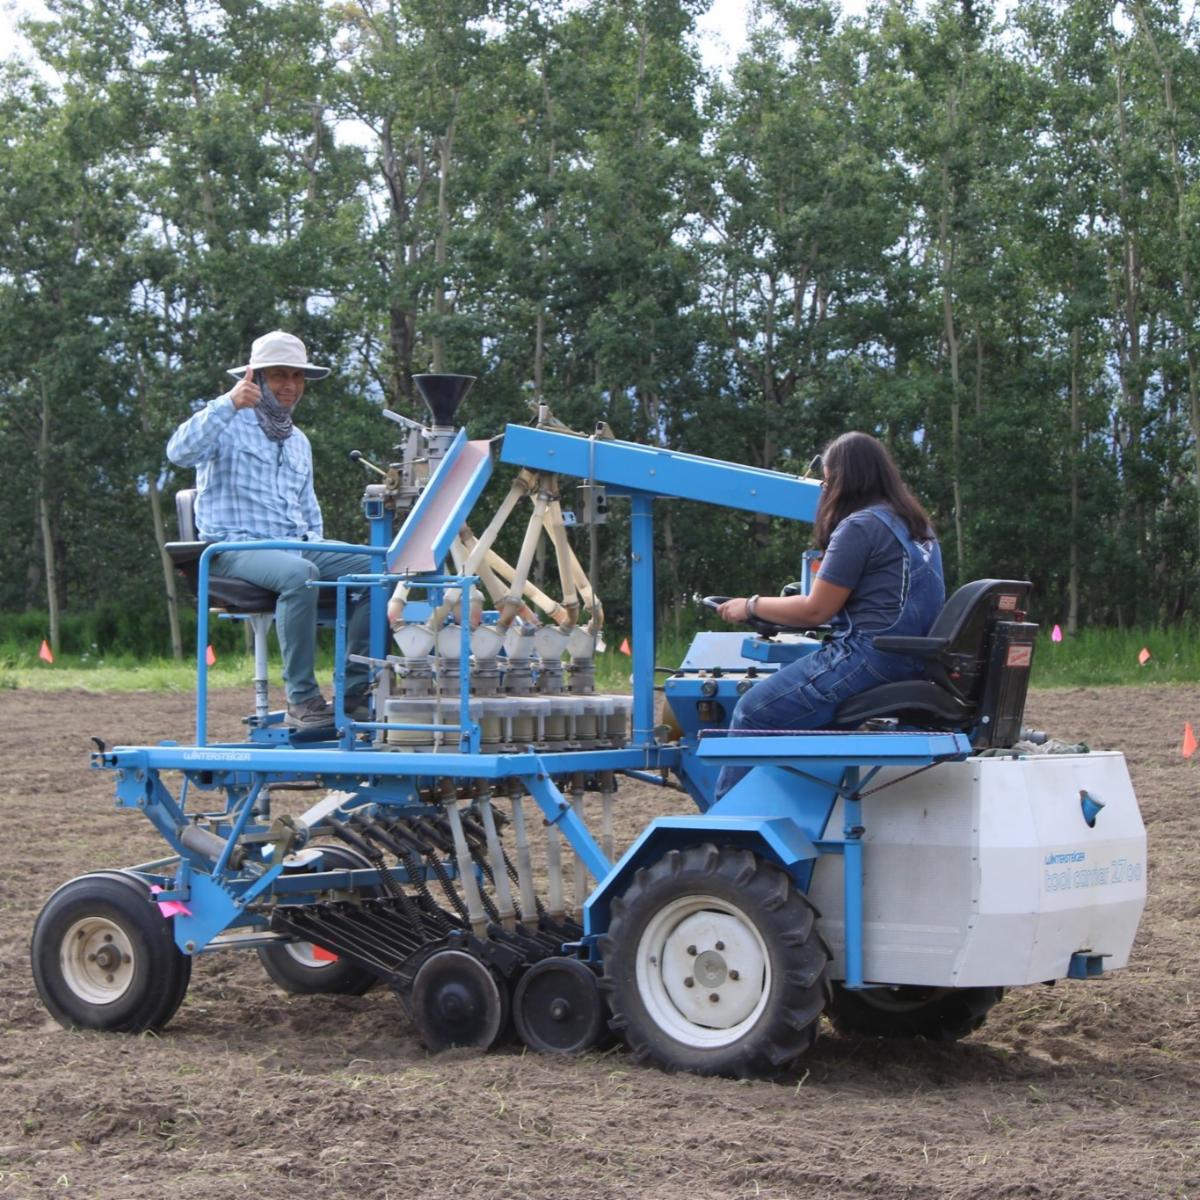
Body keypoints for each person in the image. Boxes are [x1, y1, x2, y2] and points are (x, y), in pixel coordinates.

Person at [714, 431, 944, 799]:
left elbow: (815, 609)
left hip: (869, 659)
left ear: (842, 478)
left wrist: (751, 605)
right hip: (913, 661)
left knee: (753, 712)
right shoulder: (919, 528)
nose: (824, 488)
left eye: (826, 479)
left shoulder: (860, 526)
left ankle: (728, 831)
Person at [166, 330, 373, 728]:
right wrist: (226, 403)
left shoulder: (298, 442)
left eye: (297, 376)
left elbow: (309, 513)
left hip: (293, 545)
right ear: (255, 377)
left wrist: (321, 544)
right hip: (230, 551)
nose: (290, 385)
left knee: (379, 569)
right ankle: (302, 699)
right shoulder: (225, 423)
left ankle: (356, 694)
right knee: (300, 575)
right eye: (280, 375)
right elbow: (178, 452)